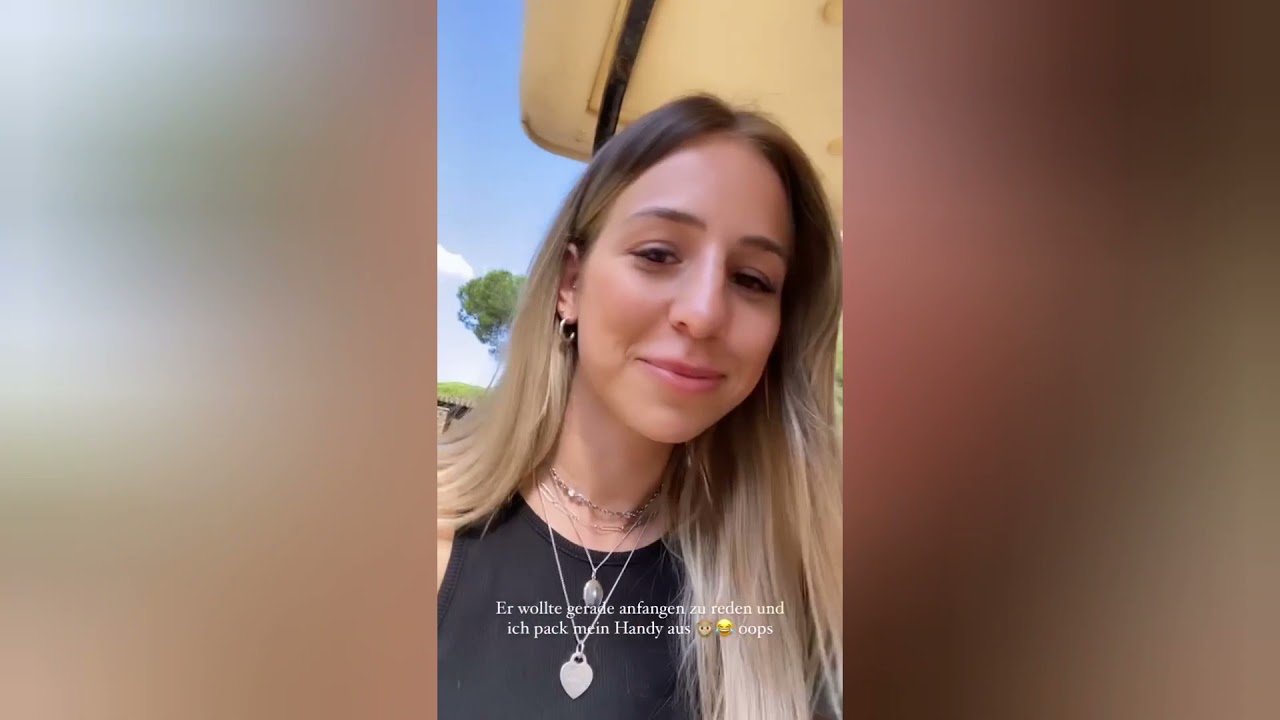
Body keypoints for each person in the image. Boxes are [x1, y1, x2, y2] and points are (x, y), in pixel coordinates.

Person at [437, 93, 843, 720]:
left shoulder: (801, 609)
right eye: (658, 254)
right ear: (570, 284)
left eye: (752, 280)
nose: (703, 313)